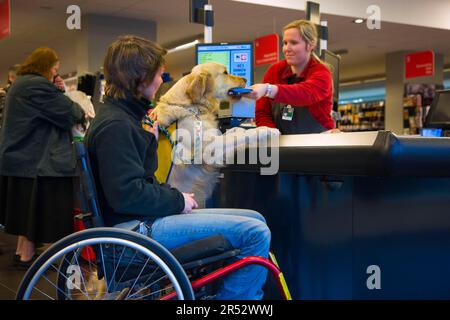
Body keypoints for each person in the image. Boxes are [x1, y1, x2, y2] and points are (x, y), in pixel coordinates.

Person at [86, 35, 271, 300]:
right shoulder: (116, 126)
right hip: (133, 234)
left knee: (256, 218)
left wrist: (148, 141)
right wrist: (177, 200)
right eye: (158, 74)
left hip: (137, 222)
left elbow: (139, 179)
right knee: (256, 232)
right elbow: (128, 194)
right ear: (139, 77)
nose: (162, 81)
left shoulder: (122, 118)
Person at [0, 47, 85, 269]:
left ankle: (23, 253)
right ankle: (28, 259)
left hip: (22, 161)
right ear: (45, 67)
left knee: (28, 213)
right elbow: (73, 113)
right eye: (55, 70)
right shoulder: (36, 85)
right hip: (37, 162)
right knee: (36, 212)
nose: (55, 75)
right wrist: (60, 91)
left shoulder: (21, 84)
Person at [246, 19, 335, 134]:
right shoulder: (275, 70)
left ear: (310, 45)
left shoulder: (322, 73)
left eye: (293, 43)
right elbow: (262, 112)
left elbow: (304, 94)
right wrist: (271, 135)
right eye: (285, 43)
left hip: (317, 143)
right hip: (281, 142)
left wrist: (268, 89)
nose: (286, 49)